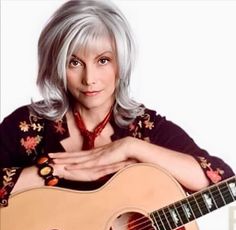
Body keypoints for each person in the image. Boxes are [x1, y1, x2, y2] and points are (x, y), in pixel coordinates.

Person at [0, 0, 234, 206]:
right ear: (56, 65)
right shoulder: (28, 126)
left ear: (122, 62)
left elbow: (224, 181)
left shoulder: (144, 128)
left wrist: (131, 147)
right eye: (74, 63)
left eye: (103, 60)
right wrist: (54, 171)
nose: (89, 79)